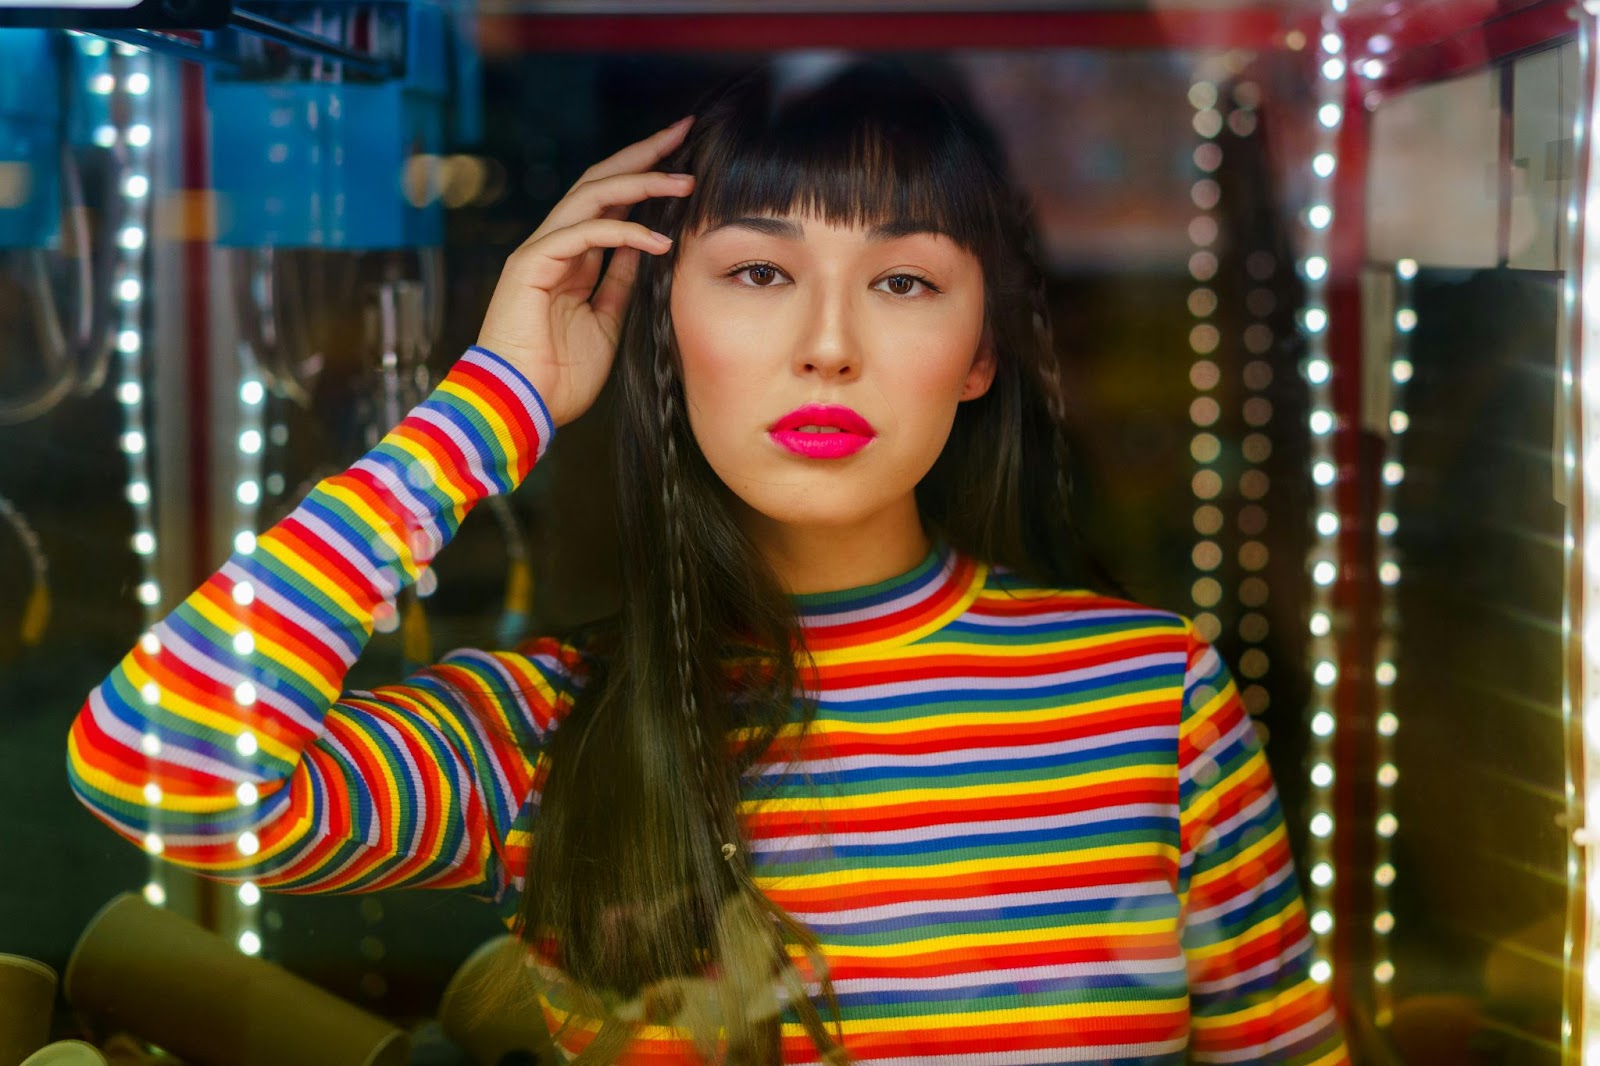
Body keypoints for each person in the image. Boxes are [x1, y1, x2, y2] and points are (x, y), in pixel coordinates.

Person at [66, 59, 1348, 1064]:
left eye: (902, 281)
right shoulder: (547, 727)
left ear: (980, 355)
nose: (827, 345)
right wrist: (494, 400)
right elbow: (157, 763)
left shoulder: (1146, 693)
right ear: (666, 332)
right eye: (756, 270)